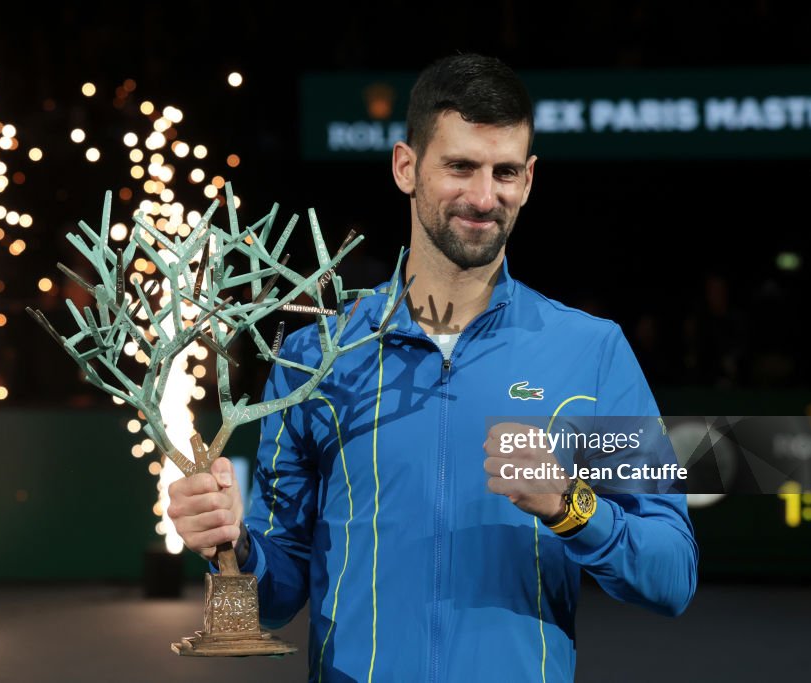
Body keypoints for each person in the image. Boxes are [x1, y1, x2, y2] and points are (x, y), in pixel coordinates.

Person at [169, 53, 697, 682]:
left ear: (529, 180)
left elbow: (673, 574)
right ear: (406, 167)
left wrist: (571, 506)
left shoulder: (592, 352)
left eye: (504, 172)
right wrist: (231, 545)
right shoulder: (315, 360)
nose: (483, 196)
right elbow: (276, 595)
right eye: (459, 167)